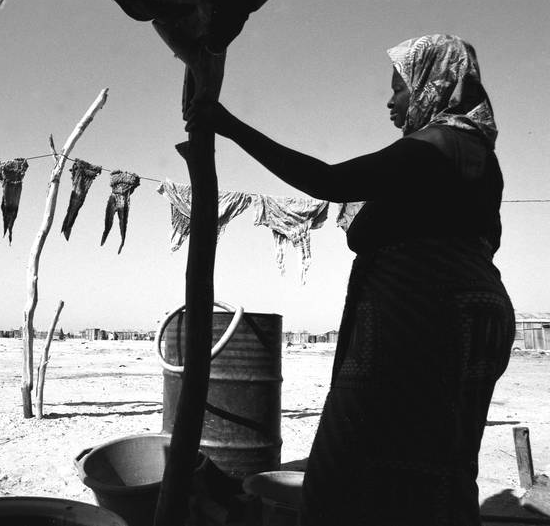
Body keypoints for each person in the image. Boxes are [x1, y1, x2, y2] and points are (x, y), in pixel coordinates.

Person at [186, 34, 515, 525]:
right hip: (472, 315)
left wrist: (230, 126)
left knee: (350, 460)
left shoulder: (437, 143)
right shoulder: (479, 157)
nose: (391, 100)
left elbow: (329, 181)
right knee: (436, 461)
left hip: (419, 318)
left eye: (399, 87)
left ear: (432, 83)